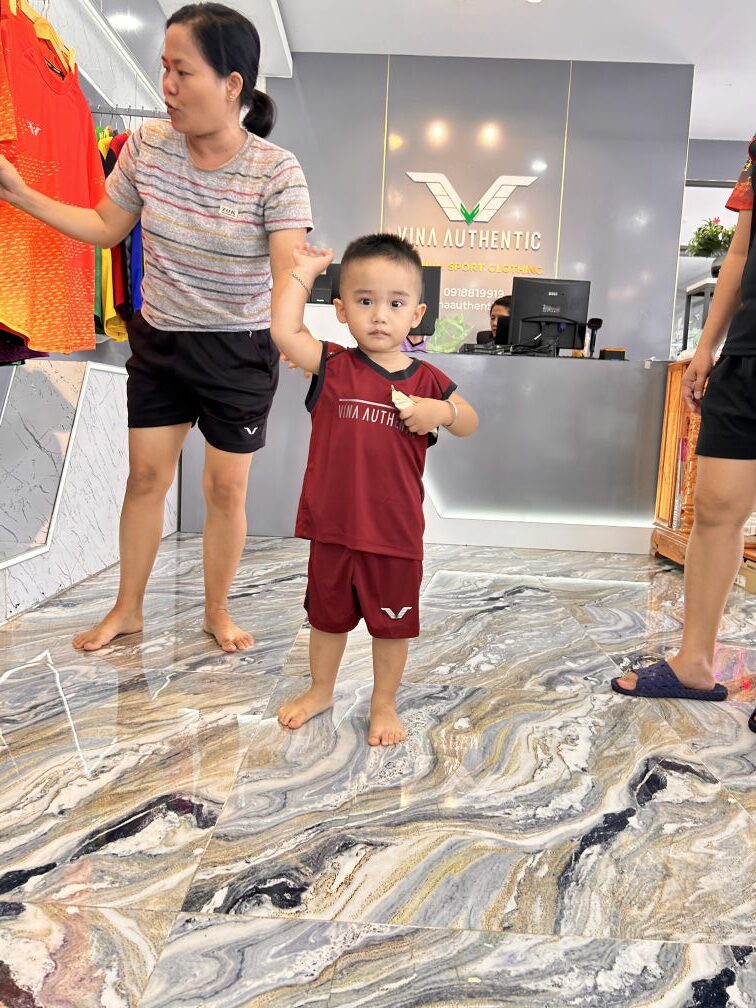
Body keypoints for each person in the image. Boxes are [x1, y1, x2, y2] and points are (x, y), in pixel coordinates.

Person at [0, 2, 312, 653]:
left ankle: (217, 611)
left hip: (237, 349)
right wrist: (21, 193)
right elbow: (104, 227)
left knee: (224, 488)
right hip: (162, 342)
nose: (166, 87)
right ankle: (128, 609)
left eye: (183, 72)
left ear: (231, 84)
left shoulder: (276, 170)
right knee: (145, 480)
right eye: (163, 68)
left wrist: (295, 318)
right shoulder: (145, 147)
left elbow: (288, 266)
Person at [270, 234, 478, 745]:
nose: (380, 315)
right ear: (341, 310)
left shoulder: (428, 380)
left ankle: (383, 702)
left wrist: (442, 412)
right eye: (364, 301)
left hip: (394, 535)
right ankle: (321, 690)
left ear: (417, 314)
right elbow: (284, 331)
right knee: (327, 620)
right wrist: (304, 274)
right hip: (333, 529)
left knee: (393, 627)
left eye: (395, 304)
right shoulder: (333, 366)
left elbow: (469, 421)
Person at [612, 138, 756, 734]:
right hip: (747, 356)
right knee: (716, 509)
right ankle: (694, 662)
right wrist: (706, 347)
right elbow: (741, 251)